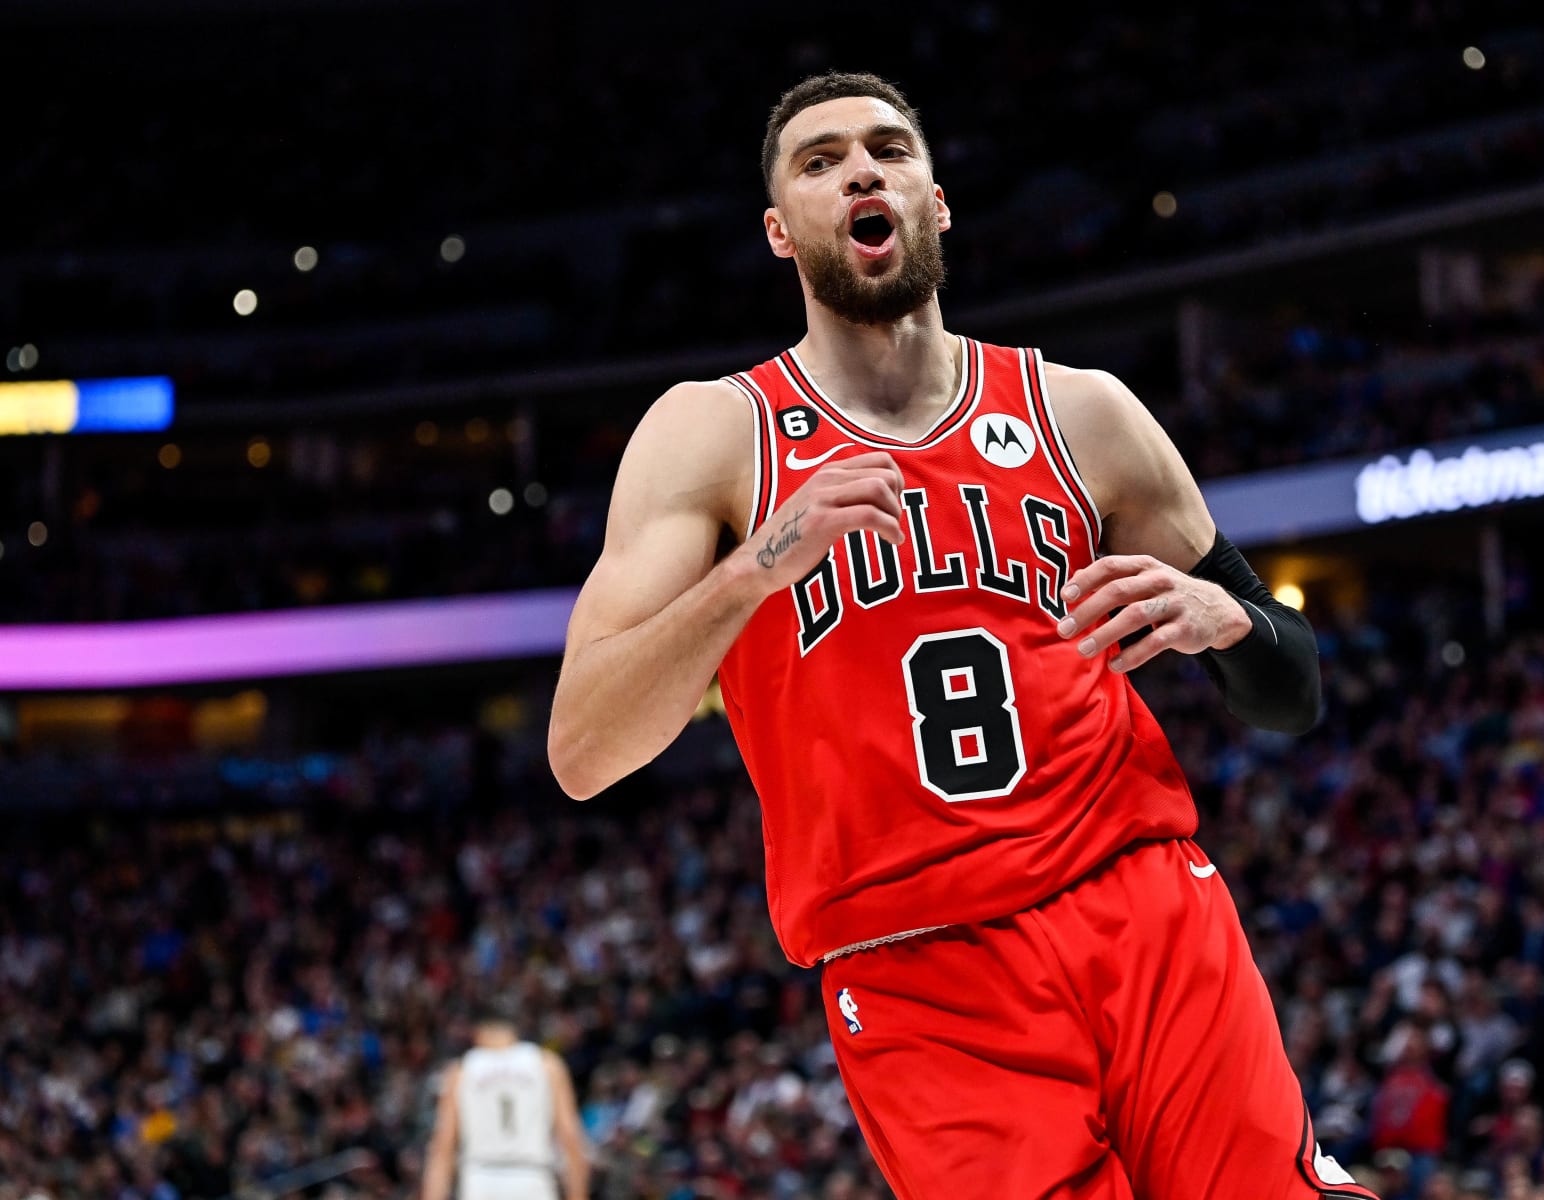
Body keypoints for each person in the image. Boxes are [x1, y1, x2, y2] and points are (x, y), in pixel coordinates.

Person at [549, 71, 1374, 1198]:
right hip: (919, 963)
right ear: (781, 232)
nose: (861, 171)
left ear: (937, 199)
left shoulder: (1080, 410)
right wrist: (757, 566)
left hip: (1142, 899)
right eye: (820, 160)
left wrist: (1233, 621)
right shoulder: (715, 435)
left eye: (888, 149)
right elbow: (584, 750)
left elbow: (1294, 692)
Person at [422, 1003, 588, 1200]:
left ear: (477, 1031)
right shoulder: (547, 1064)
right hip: (533, 1178)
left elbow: (443, 1147)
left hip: (480, 1179)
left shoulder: (462, 1070)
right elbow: (571, 1138)